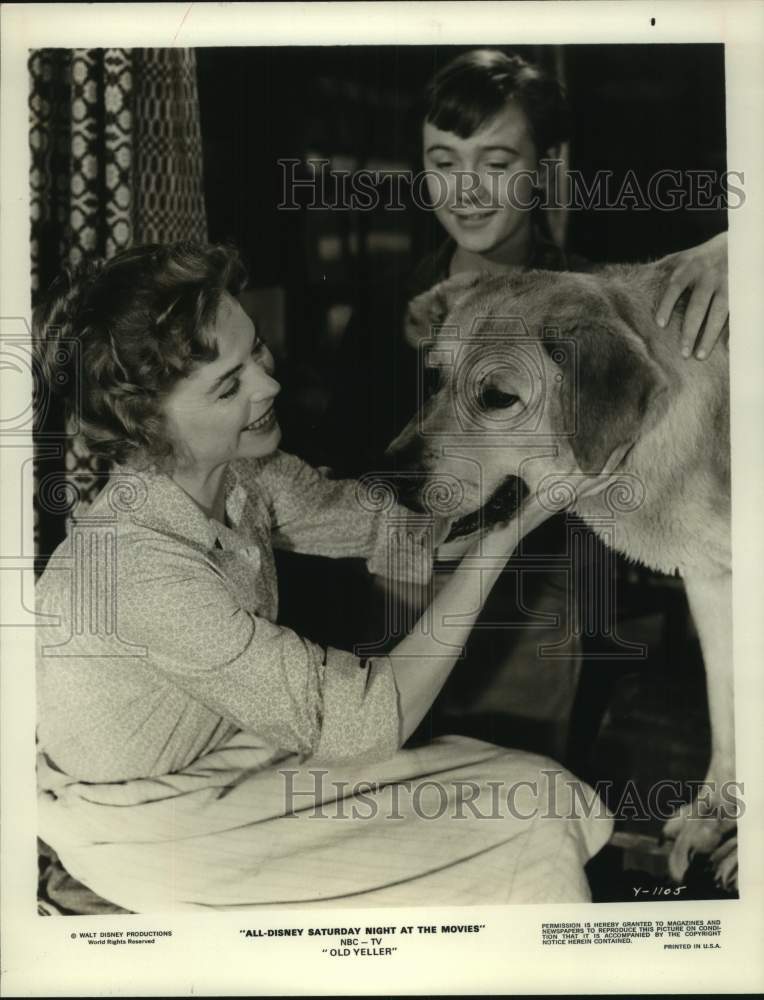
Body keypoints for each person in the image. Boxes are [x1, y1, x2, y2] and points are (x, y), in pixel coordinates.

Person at [34, 241, 619, 913]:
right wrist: (511, 531)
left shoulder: (243, 477)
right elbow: (371, 719)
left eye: (255, 350)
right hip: (152, 825)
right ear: (148, 426)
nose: (269, 384)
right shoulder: (140, 571)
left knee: (539, 792)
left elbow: (388, 525)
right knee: (524, 823)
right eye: (230, 385)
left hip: (234, 762)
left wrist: (504, 449)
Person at [316, 48, 729, 758]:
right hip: (405, 611)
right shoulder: (385, 308)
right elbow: (347, 479)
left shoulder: (603, 304)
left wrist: (737, 244)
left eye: (498, 162)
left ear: (545, 168)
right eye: (443, 161)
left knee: (528, 807)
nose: (466, 189)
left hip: (545, 618)